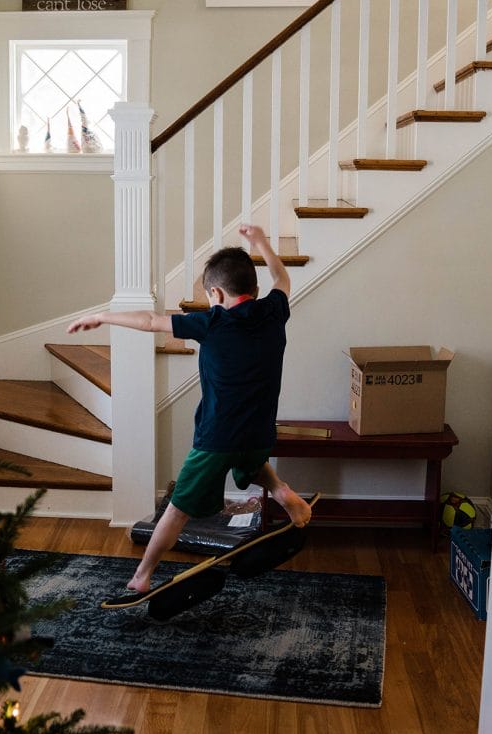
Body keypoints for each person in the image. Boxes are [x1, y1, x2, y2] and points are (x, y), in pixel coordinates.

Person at [66, 224, 312, 594]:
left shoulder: (212, 321)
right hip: (260, 432)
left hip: (216, 437)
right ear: (255, 290)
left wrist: (103, 317)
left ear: (215, 293)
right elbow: (282, 276)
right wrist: (261, 243)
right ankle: (281, 492)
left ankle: (141, 575)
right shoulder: (274, 310)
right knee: (251, 463)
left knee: (178, 507)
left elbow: (150, 322)